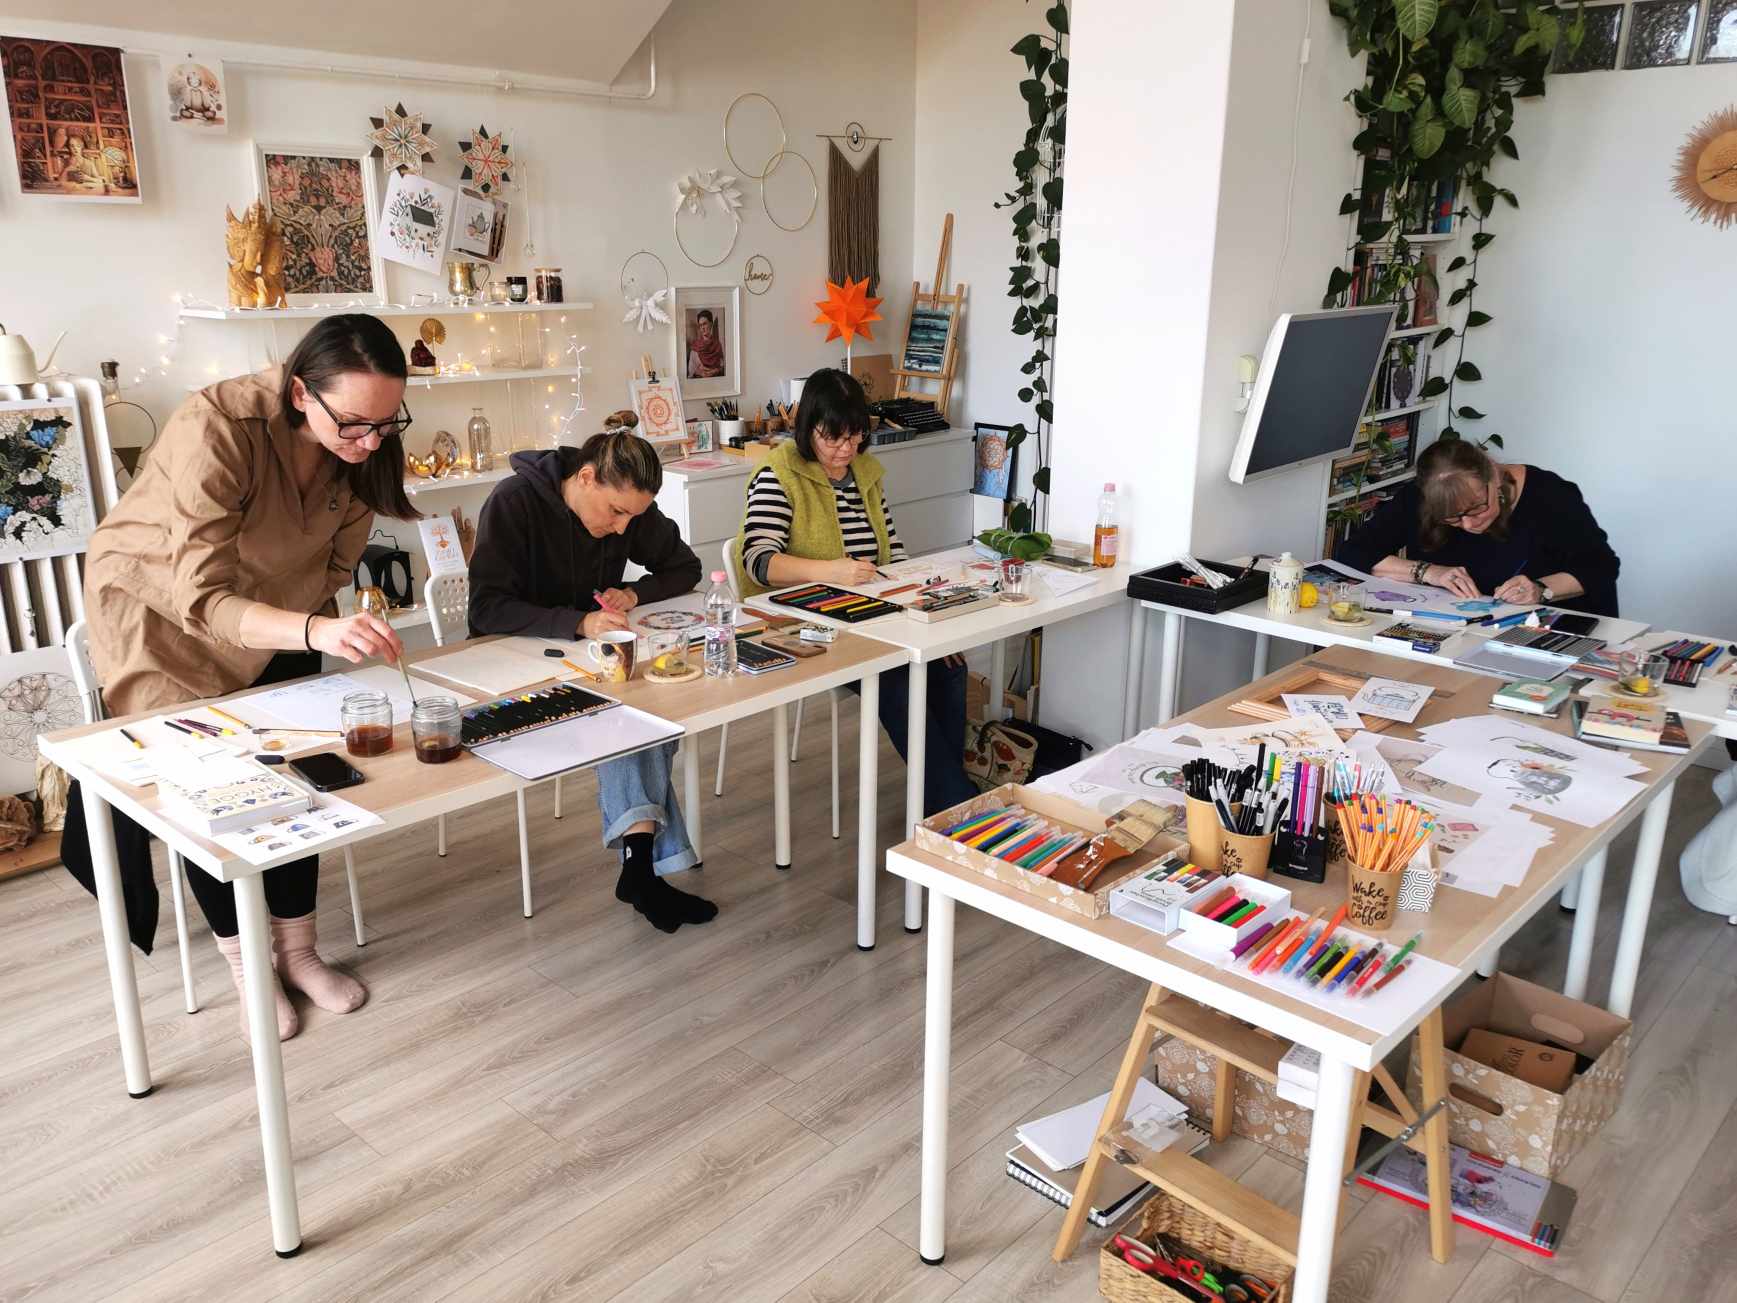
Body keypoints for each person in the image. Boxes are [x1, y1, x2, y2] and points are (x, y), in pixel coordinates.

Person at [64, 314, 417, 1040]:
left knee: (301, 766)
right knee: (212, 784)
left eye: (387, 423)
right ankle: (247, 962)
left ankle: (298, 950)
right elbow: (199, 598)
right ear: (301, 393)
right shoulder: (217, 426)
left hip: (281, 607)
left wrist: (310, 627)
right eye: (355, 425)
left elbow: (335, 563)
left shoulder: (365, 437)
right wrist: (313, 630)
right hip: (159, 614)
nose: (372, 442)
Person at [467, 429, 715, 933]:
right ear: (585, 477)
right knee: (627, 718)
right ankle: (642, 872)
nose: (623, 527)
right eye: (616, 512)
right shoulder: (513, 502)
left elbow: (684, 566)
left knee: (643, 712)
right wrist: (579, 622)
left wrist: (634, 594)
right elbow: (487, 609)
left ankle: (639, 868)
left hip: (584, 659)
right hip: (512, 664)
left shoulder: (627, 510)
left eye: (632, 517)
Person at [734, 367, 978, 816]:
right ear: (808, 429)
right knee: (897, 676)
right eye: (834, 438)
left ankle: (942, 799)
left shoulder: (864, 473)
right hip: (803, 624)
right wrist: (831, 572)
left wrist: (926, 608)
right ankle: (959, 807)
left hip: (872, 613)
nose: (846, 449)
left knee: (948, 663)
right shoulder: (778, 475)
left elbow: (893, 553)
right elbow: (759, 561)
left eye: (856, 436)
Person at [1334, 440, 1621, 617]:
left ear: (1493, 477)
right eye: (1452, 519)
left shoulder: (1550, 495)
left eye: (1477, 508)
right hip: (1452, 634)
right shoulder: (1418, 498)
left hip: (1546, 633)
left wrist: (1540, 590)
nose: (1470, 525)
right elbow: (1353, 553)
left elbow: (1601, 567)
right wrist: (1428, 572)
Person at [686, 309, 725, 380]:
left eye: (704, 324)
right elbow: (691, 372)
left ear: (711, 324)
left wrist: (715, 371)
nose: (702, 328)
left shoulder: (717, 345)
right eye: (700, 325)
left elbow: (722, 365)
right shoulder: (695, 347)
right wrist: (699, 373)